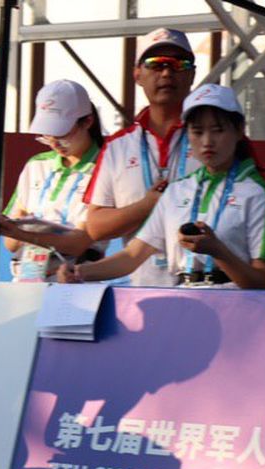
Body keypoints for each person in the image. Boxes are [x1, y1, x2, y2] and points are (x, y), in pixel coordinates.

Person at [65, 84, 265, 290]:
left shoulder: (256, 193)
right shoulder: (177, 190)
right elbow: (133, 256)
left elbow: (264, 281)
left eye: (218, 130)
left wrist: (218, 251)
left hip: (235, 306)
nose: (207, 141)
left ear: (239, 131)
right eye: (197, 132)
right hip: (180, 302)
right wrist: (81, 272)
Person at [83, 27, 200, 286]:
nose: (167, 72)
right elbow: (95, 226)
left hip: (208, 290)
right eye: (156, 64)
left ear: (192, 74)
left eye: (179, 64)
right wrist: (148, 205)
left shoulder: (215, 139)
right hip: (140, 289)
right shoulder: (117, 146)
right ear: (137, 74)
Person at [0, 79, 106, 282]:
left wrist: (24, 234)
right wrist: (8, 227)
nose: (54, 143)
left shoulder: (105, 167)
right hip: (26, 278)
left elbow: (78, 243)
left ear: (87, 121)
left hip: (75, 282)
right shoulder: (36, 165)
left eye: (62, 134)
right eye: (47, 135)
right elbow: (10, 244)